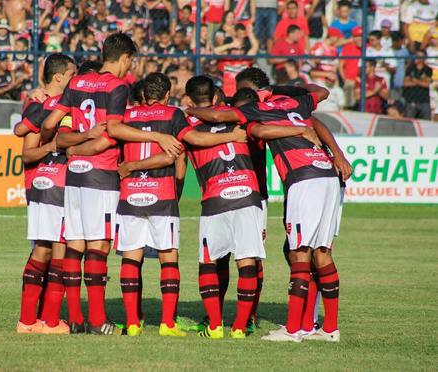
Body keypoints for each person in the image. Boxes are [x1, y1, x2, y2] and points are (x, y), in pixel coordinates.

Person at [186, 71, 348, 343]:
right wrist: (336, 153)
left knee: (298, 254)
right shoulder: (294, 103)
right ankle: (326, 328)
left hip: (302, 180)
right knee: (321, 252)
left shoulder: (255, 112)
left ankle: (294, 329)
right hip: (327, 175)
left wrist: (186, 109)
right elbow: (321, 92)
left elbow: (219, 118)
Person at [40, 33, 180, 335]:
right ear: (126, 57)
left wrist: (72, 146)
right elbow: (114, 129)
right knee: (99, 246)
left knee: (74, 245)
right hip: (101, 176)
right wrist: (156, 136)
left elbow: (51, 125)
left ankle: (76, 318)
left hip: (74, 174)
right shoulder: (118, 86)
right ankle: (97, 319)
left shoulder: (76, 83)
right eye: (131, 61)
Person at [115, 73, 248, 337]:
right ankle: (168, 323)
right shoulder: (173, 115)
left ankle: (132, 323)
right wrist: (231, 136)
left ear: (143, 95)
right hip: (161, 195)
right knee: (168, 257)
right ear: (166, 95)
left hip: (130, 194)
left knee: (131, 257)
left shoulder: (126, 117)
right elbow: (189, 146)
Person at [14, 53, 77, 334]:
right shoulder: (45, 105)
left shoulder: (42, 104)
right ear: (59, 77)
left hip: (45, 186)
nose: (75, 79)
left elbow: (22, 132)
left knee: (44, 249)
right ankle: (50, 321)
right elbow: (27, 153)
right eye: (72, 74)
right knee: (57, 250)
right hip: (53, 185)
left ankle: (28, 321)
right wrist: (53, 148)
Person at [403, 50, 433, 120]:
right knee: (409, 123)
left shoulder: (428, 69)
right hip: (411, 100)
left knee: (426, 124)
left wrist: (414, 80)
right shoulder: (409, 69)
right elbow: (405, 83)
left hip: (424, 101)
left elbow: (427, 84)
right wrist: (420, 81)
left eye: (419, 56)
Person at [339, 26, 362, 108]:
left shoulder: (367, 47)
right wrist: (345, 79)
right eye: (357, 36)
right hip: (350, 80)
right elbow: (340, 66)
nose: (359, 39)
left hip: (362, 80)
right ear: (353, 38)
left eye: (361, 36)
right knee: (349, 104)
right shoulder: (348, 47)